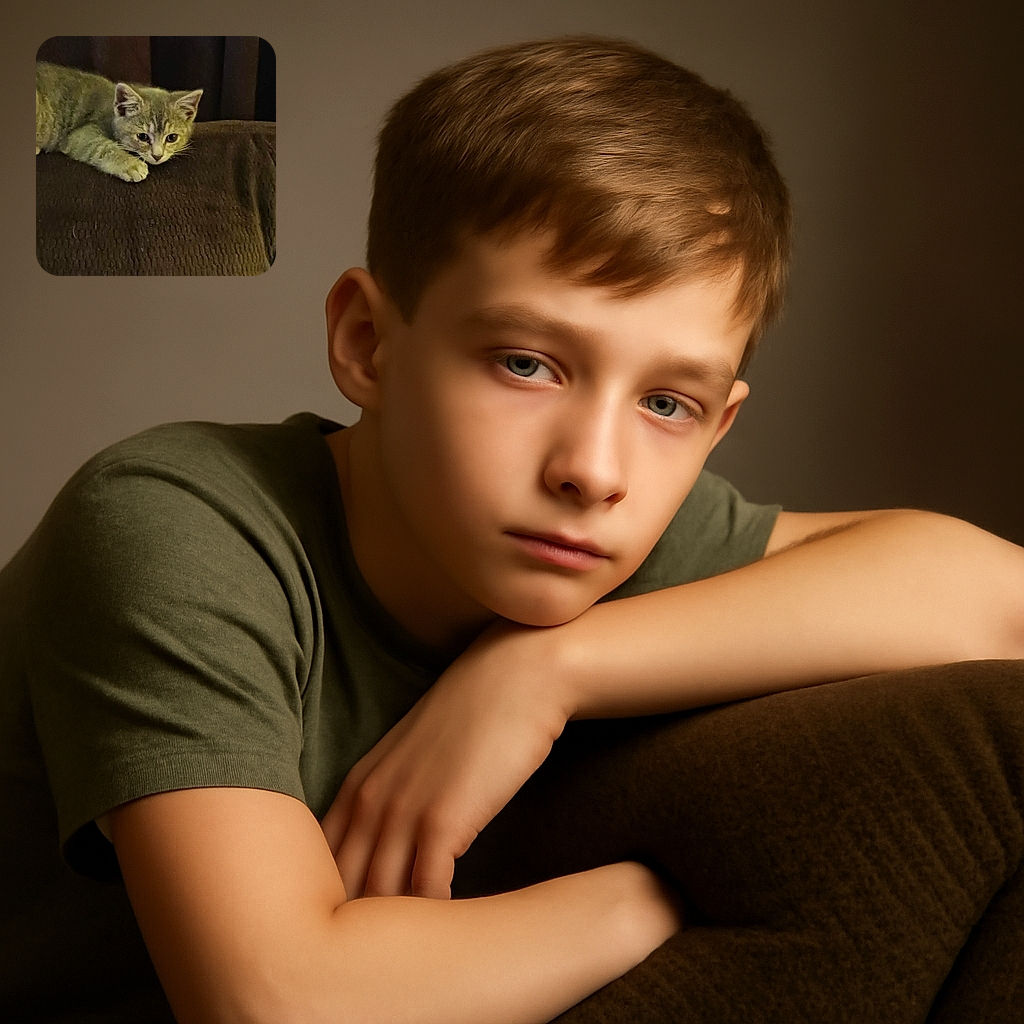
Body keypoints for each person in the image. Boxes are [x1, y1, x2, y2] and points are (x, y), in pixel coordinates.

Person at [2, 35, 1022, 1023]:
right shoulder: (174, 524)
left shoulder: (620, 528)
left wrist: (548, 670)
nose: (593, 468)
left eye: (667, 403)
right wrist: (660, 900)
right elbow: (276, 1000)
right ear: (367, 343)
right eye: (528, 363)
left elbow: (1000, 601)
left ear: (720, 423)